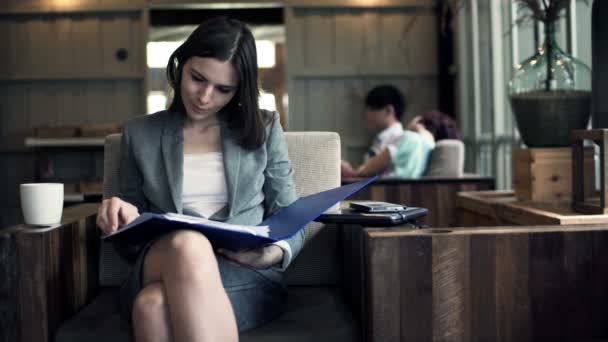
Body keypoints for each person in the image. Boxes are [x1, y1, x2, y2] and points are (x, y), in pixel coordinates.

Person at [96, 17, 302, 342]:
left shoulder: (264, 128)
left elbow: (291, 215)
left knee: (153, 306)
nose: (205, 97)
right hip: (161, 260)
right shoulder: (140, 134)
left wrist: (269, 254)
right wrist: (121, 215)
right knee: (189, 245)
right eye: (197, 79)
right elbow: (130, 243)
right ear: (181, 64)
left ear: (239, 90)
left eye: (223, 89)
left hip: (242, 273)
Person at [353, 110, 462, 178]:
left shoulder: (411, 137)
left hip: (391, 186)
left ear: (418, 123)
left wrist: (358, 172)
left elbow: (388, 154)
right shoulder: (430, 145)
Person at [341, 85, 406, 178]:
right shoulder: (381, 138)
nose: (366, 114)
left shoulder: (400, 140)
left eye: (371, 109)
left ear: (389, 110)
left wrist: (354, 173)